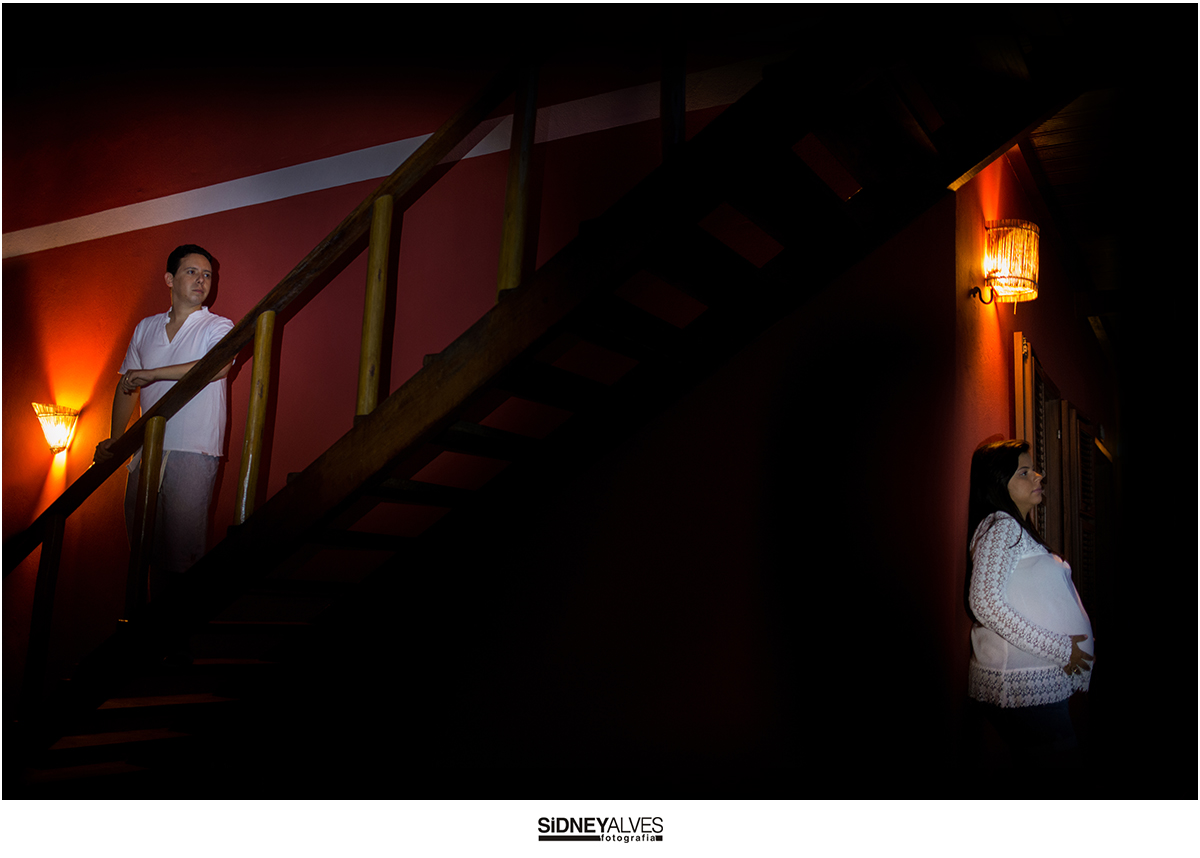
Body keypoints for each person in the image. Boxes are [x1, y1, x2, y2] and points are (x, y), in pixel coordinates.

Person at [94, 244, 234, 605]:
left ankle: (179, 632)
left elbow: (217, 367)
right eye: (192, 272)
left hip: (195, 449)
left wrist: (154, 374)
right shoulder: (146, 327)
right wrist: (116, 440)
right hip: (147, 450)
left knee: (184, 556)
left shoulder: (218, 325)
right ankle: (148, 631)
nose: (201, 280)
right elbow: (127, 385)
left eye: (207, 275)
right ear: (170, 279)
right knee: (146, 550)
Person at [965, 438, 1094, 768]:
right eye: (1024, 472)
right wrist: (1061, 649)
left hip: (1030, 684)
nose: (1038, 476)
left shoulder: (1013, 528)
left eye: (1032, 470)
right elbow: (984, 602)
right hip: (1023, 684)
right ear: (998, 483)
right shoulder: (1001, 526)